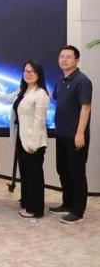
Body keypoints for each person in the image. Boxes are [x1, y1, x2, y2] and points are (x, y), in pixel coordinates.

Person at [0, 60, 49, 218]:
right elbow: (8, 99)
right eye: (26, 71)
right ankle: (27, 203)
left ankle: (35, 209)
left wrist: (33, 142)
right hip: (21, 139)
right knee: (26, 173)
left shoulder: (41, 94)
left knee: (34, 175)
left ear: (39, 74)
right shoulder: (22, 90)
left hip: (34, 142)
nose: (28, 74)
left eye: (32, 71)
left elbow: (39, 121)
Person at [49, 45, 92, 224]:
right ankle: (67, 204)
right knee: (63, 170)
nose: (64, 60)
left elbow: (86, 107)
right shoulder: (61, 81)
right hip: (61, 134)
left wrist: (80, 133)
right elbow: (54, 99)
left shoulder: (82, 81)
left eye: (68, 57)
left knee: (76, 172)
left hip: (76, 135)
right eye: (61, 56)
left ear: (77, 60)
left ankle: (77, 210)